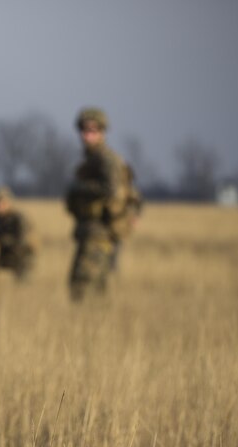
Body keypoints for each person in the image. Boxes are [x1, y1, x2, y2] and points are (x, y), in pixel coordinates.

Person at [64, 107, 140, 301]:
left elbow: (112, 190)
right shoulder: (91, 161)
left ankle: (89, 326)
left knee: (83, 286)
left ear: (102, 132)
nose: (87, 135)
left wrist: (79, 188)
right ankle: (95, 327)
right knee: (90, 289)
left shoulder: (107, 160)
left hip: (100, 233)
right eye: (84, 130)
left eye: (93, 130)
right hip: (90, 232)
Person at [0, 186, 37, 281]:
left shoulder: (18, 219)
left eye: (1, 203)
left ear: (8, 202)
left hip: (19, 257)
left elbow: (22, 241)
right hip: (2, 256)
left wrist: (1, 241)